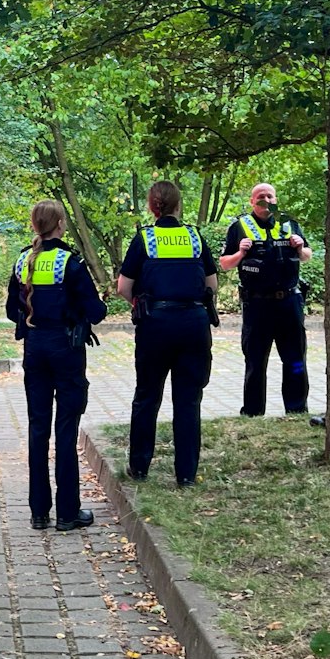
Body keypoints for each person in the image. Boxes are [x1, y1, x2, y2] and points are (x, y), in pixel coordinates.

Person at [5, 200, 109, 531]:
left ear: (36, 226)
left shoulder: (23, 261)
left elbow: (12, 311)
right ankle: (68, 513)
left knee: (38, 429)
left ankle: (39, 512)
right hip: (66, 350)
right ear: (61, 224)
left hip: (34, 350)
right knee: (65, 431)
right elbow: (95, 312)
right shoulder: (71, 263)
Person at [116, 180, 218, 486]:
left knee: (147, 396)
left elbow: (123, 286)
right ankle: (186, 474)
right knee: (188, 400)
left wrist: (141, 302)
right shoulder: (194, 237)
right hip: (193, 324)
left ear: (151, 207)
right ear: (178, 205)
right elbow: (211, 285)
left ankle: (140, 467)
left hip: (155, 324)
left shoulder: (144, 239)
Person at [218, 182, 312, 417]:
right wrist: (240, 253)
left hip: (289, 303)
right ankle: (252, 412)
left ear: (275, 199)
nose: (265, 200)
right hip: (257, 304)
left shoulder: (289, 223)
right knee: (255, 361)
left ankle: (297, 409)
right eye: (260, 196)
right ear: (252, 201)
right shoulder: (239, 227)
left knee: (295, 360)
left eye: (270, 196)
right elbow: (224, 264)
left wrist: (300, 249)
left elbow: (308, 256)